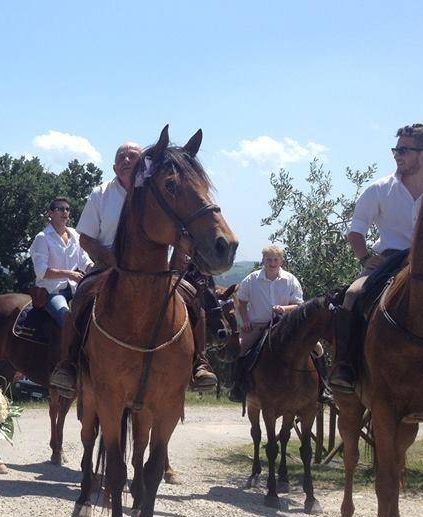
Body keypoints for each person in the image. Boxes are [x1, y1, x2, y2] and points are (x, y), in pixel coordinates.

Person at [50, 141, 217, 395]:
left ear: (143, 163)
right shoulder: (101, 193)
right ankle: (69, 364)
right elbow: (85, 238)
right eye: (121, 156)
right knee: (81, 296)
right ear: (114, 166)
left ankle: (199, 363)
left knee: (193, 299)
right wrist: (112, 258)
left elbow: (178, 230)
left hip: (156, 270)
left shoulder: (154, 190)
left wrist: (176, 264)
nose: (127, 160)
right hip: (108, 267)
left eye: (132, 156)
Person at [329, 124, 423, 393]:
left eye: (403, 150)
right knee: (352, 295)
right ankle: (345, 367)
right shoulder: (378, 189)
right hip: (388, 262)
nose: (396, 155)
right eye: (395, 149)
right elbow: (356, 232)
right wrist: (365, 258)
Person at [228, 246, 304, 402]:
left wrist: (283, 308)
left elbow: (298, 305)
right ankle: (238, 387)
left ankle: (321, 388)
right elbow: (241, 302)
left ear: (281, 261)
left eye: (276, 259)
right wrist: (246, 320)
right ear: (263, 260)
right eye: (269, 259)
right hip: (257, 326)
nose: (272, 263)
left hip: (284, 327)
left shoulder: (290, 280)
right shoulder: (252, 279)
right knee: (239, 350)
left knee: (316, 348)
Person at [28, 196, 93, 327]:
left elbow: (85, 261)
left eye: (67, 209)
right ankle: (67, 348)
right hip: (52, 292)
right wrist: (69, 274)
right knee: (67, 321)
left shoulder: (75, 235)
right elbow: (41, 272)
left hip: (77, 291)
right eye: (60, 209)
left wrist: (95, 269)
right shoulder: (42, 238)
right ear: (50, 213)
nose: (65, 212)